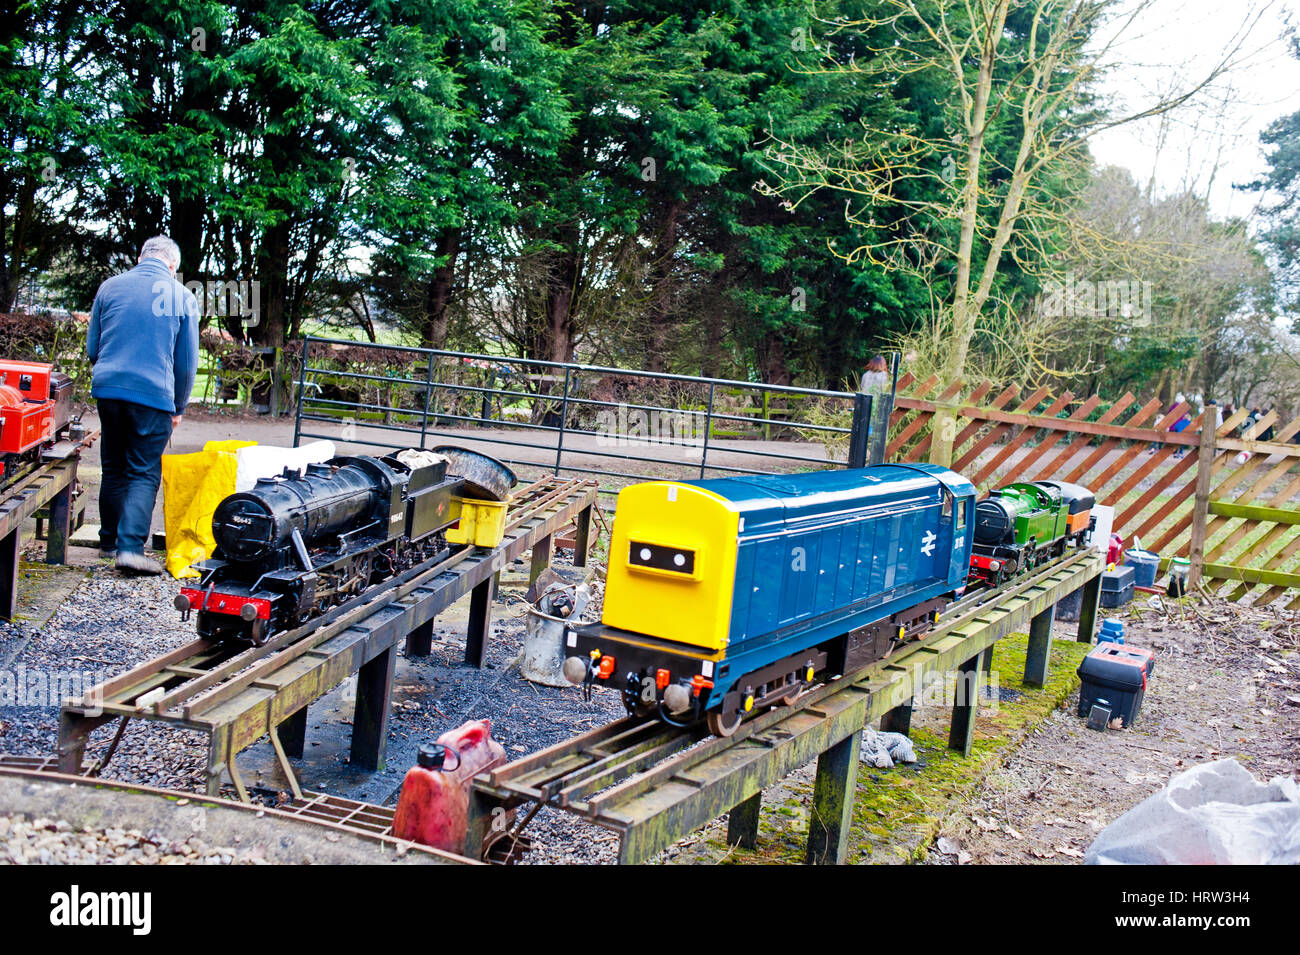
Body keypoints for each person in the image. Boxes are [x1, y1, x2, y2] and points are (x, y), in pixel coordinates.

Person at [87, 236, 200, 575]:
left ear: (140, 257)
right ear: (173, 266)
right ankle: (130, 549)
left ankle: (108, 540)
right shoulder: (181, 296)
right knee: (143, 469)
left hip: (108, 391)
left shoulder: (110, 287)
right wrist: (178, 407)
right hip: (153, 396)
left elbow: (94, 348)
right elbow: (185, 365)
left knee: (114, 464)